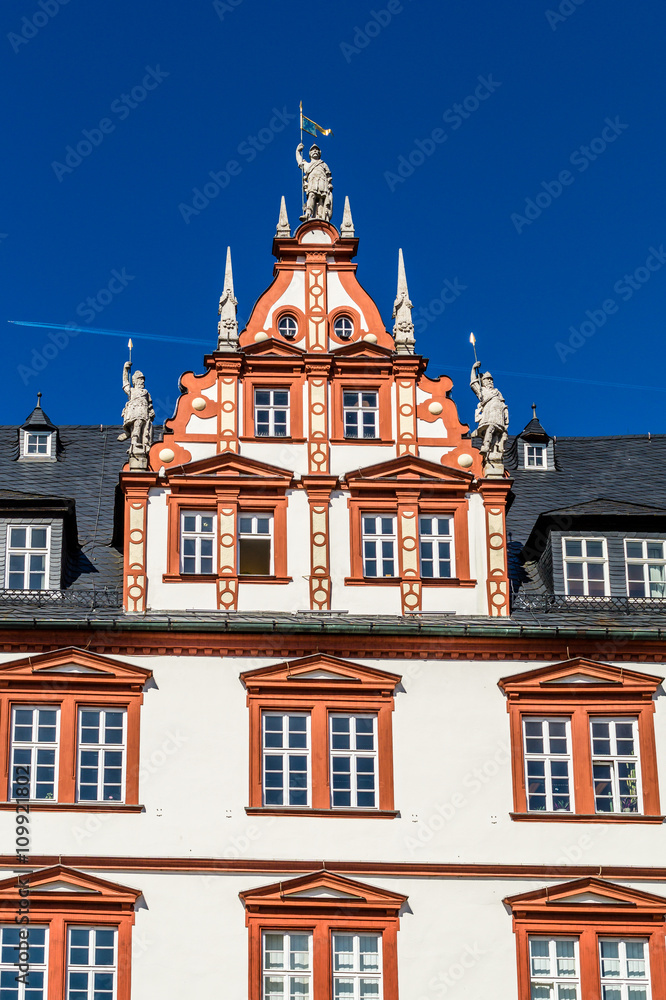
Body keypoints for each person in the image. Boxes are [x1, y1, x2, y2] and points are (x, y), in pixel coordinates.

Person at [470, 361, 509, 461]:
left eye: (491, 380)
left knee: (499, 433)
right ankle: (486, 446)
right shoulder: (482, 391)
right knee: (491, 428)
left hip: (499, 414)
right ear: (483, 381)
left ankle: (497, 449)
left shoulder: (497, 392)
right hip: (489, 413)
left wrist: (506, 415)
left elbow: (503, 404)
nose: (490, 382)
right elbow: (473, 383)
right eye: (487, 380)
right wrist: (474, 368)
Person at [118, 362, 154, 457]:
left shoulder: (146, 392)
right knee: (137, 425)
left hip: (144, 411)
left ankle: (144, 444)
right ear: (135, 381)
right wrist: (125, 369)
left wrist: (151, 412)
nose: (142, 382)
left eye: (143, 380)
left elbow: (150, 404)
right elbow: (125, 382)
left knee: (145, 429)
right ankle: (134, 443)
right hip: (135, 411)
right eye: (140, 379)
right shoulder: (131, 391)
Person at [296, 143, 333, 221]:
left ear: (319, 153)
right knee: (312, 195)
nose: (315, 151)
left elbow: (328, 175)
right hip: (312, 183)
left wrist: (329, 184)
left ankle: (323, 215)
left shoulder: (323, 164)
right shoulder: (307, 165)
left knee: (322, 200)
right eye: (313, 150)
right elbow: (299, 161)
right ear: (310, 154)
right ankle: (308, 214)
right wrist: (297, 151)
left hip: (322, 183)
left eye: (316, 150)